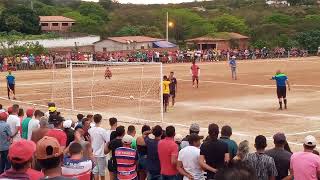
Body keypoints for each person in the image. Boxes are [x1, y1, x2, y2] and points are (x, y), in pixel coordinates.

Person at [88, 114, 111, 180]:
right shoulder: (102, 130)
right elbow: (108, 141)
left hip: (93, 153)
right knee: (102, 173)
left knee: (95, 171)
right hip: (101, 154)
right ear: (100, 120)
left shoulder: (90, 130)